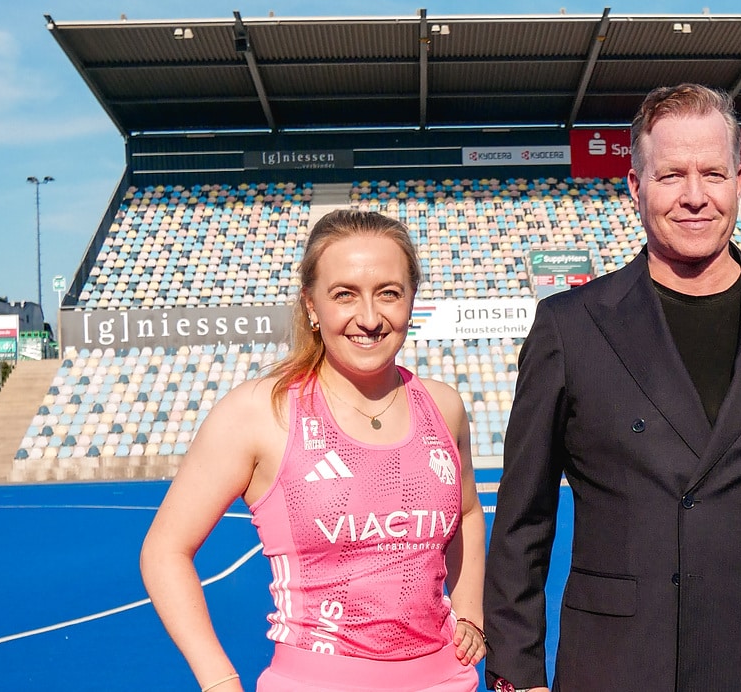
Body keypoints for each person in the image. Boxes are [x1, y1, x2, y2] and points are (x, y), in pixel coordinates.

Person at [484, 83, 741, 692]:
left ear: (739, 180)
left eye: (713, 174)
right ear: (635, 187)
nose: (695, 197)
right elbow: (520, 526)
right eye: (671, 175)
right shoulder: (570, 327)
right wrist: (517, 677)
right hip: (618, 666)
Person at [141, 209, 487, 692]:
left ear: (412, 299)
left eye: (389, 292)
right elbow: (164, 551)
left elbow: (468, 511)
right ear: (311, 305)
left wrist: (469, 610)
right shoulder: (260, 412)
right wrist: (218, 681)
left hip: (448, 681)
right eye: (344, 294)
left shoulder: (443, 406)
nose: (369, 318)